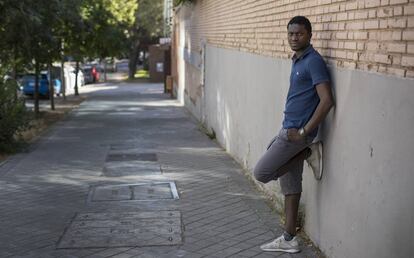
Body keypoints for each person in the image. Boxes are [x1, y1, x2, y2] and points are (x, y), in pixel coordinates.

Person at [254, 16, 334, 253]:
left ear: (310, 35)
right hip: (288, 129)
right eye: (290, 34)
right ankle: (289, 239)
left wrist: (304, 133)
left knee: (261, 172)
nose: (294, 38)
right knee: (290, 187)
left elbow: (327, 101)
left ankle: (308, 152)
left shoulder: (313, 61)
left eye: (299, 34)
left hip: (296, 136)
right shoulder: (297, 60)